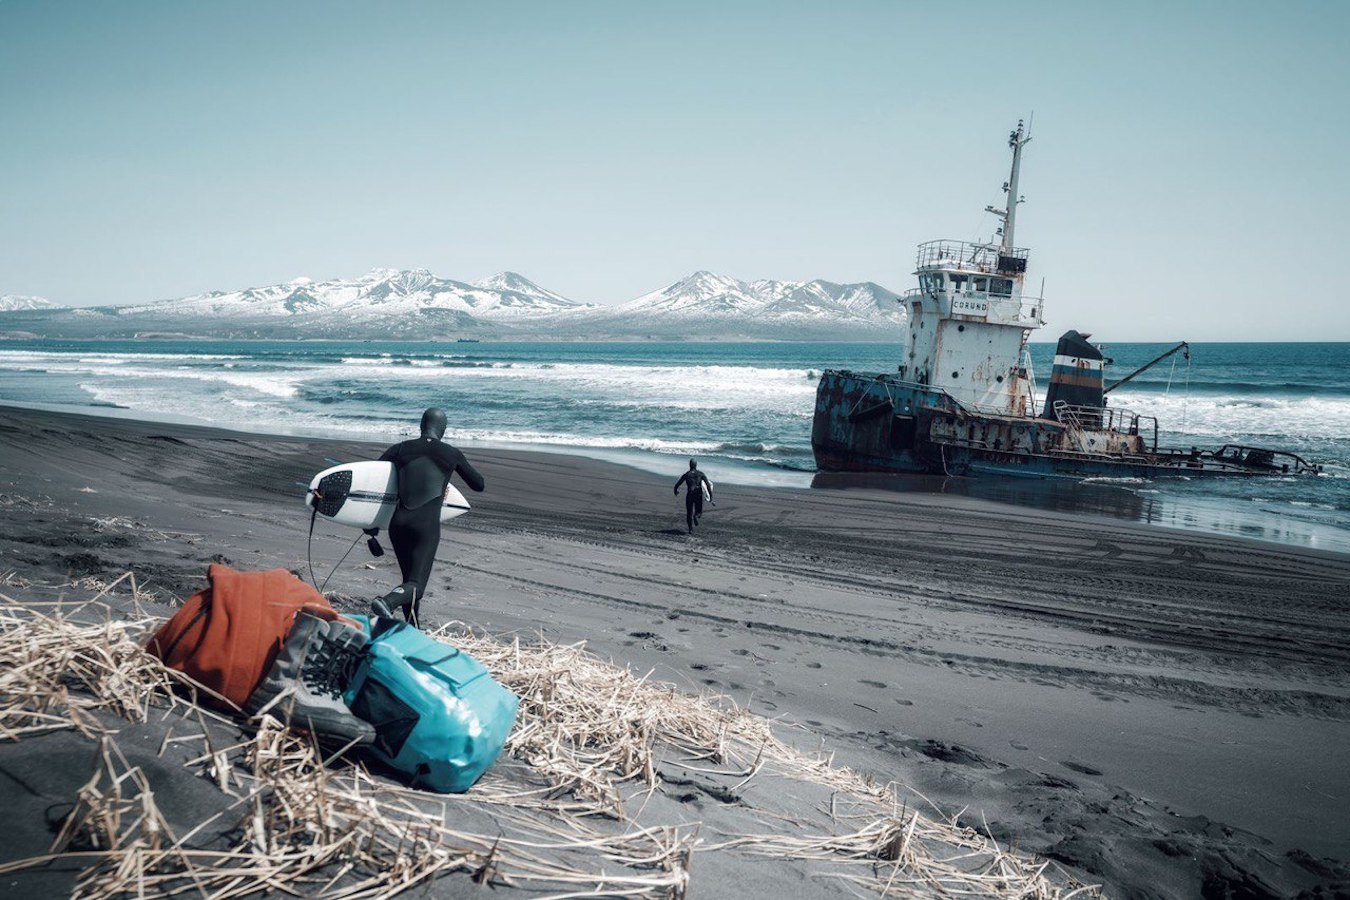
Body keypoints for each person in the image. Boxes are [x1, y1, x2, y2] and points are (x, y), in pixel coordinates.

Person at [368, 407, 484, 625]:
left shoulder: (400, 448)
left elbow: (374, 479)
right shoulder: (451, 453)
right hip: (425, 527)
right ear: (444, 430)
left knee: (409, 583)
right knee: (416, 586)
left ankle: (412, 627)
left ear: (421, 426)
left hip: (398, 525)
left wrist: (370, 523)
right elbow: (478, 485)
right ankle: (386, 602)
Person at [673, 459, 713, 534]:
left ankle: (690, 529)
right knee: (699, 511)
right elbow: (707, 484)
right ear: (696, 465)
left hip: (690, 495)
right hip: (698, 494)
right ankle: (696, 515)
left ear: (689, 465)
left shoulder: (686, 474)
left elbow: (678, 484)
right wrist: (710, 496)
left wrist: (675, 490)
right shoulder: (700, 474)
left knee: (689, 513)